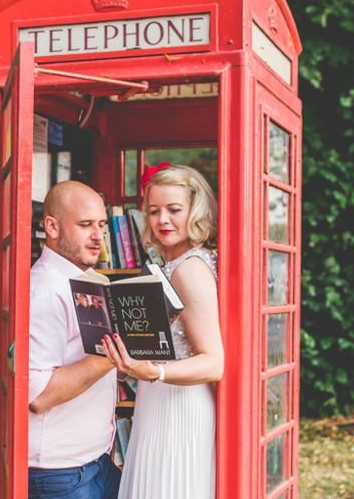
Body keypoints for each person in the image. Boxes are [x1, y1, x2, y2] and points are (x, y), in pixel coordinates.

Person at [102, 164, 223, 499]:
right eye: (154, 211)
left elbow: (214, 363)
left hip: (180, 408)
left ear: (195, 211)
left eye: (174, 210)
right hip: (159, 400)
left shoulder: (190, 270)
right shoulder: (170, 264)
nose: (162, 220)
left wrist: (153, 371)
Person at [28, 181, 121, 499]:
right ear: (51, 226)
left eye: (101, 224)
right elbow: (37, 394)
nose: (98, 237)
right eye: (85, 225)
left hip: (97, 461)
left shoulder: (86, 280)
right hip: (61, 474)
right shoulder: (44, 291)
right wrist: (114, 353)